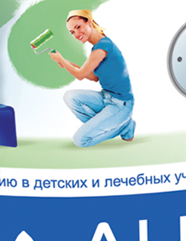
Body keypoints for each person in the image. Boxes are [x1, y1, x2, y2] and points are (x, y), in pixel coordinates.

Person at [50, 9, 135, 147]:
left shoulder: (102, 47)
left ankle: (123, 127)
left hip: (121, 105)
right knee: (70, 97)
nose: (76, 34)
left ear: (89, 22)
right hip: (106, 97)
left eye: (78, 27)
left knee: (80, 140)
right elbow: (94, 77)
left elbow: (80, 75)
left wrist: (61, 59)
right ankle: (115, 123)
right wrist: (66, 64)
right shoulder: (98, 46)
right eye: (72, 32)